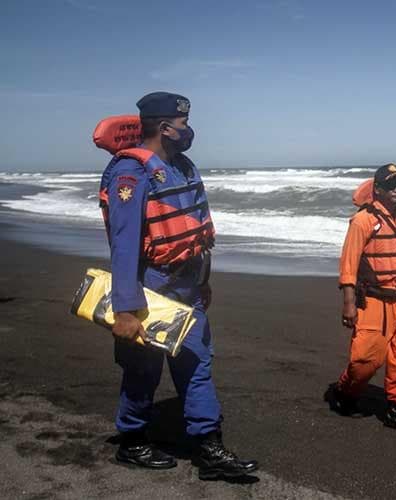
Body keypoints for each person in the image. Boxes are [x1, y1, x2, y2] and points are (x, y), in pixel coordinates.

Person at [98, 92, 258, 479]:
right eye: (183, 124)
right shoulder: (130, 174)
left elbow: (200, 229)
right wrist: (124, 309)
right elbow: (124, 242)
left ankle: (207, 448)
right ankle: (133, 441)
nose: (188, 131)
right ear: (165, 128)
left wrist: (204, 280)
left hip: (188, 286)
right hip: (149, 287)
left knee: (197, 363)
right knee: (143, 370)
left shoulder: (183, 167)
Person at [327, 163, 396, 435]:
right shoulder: (362, 221)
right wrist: (349, 303)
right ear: (378, 188)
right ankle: (344, 393)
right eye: (391, 184)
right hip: (373, 300)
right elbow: (348, 264)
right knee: (366, 359)